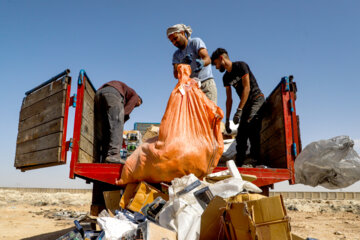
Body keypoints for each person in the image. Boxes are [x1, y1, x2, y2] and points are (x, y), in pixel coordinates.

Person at [211, 48, 265, 167]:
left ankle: (255, 160)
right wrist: (227, 120)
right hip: (245, 105)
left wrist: (239, 110)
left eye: (215, 64)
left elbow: (247, 88)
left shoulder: (241, 66)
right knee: (241, 135)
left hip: (256, 99)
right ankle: (239, 164)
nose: (215, 67)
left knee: (252, 125)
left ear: (221, 58)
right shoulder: (226, 78)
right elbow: (229, 99)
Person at [167, 23, 217, 104]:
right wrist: (181, 64)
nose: (174, 43)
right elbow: (176, 75)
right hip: (191, 88)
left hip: (205, 84)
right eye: (172, 41)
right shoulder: (176, 55)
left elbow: (207, 58)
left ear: (182, 33)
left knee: (210, 114)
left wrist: (202, 62)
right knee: (195, 115)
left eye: (175, 38)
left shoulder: (195, 42)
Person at [94, 81, 142, 164]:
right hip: (113, 94)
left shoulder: (126, 92)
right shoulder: (135, 96)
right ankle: (113, 155)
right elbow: (125, 113)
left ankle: (102, 158)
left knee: (106, 130)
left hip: (98, 94)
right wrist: (120, 124)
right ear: (138, 99)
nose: (135, 106)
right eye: (137, 104)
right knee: (117, 125)